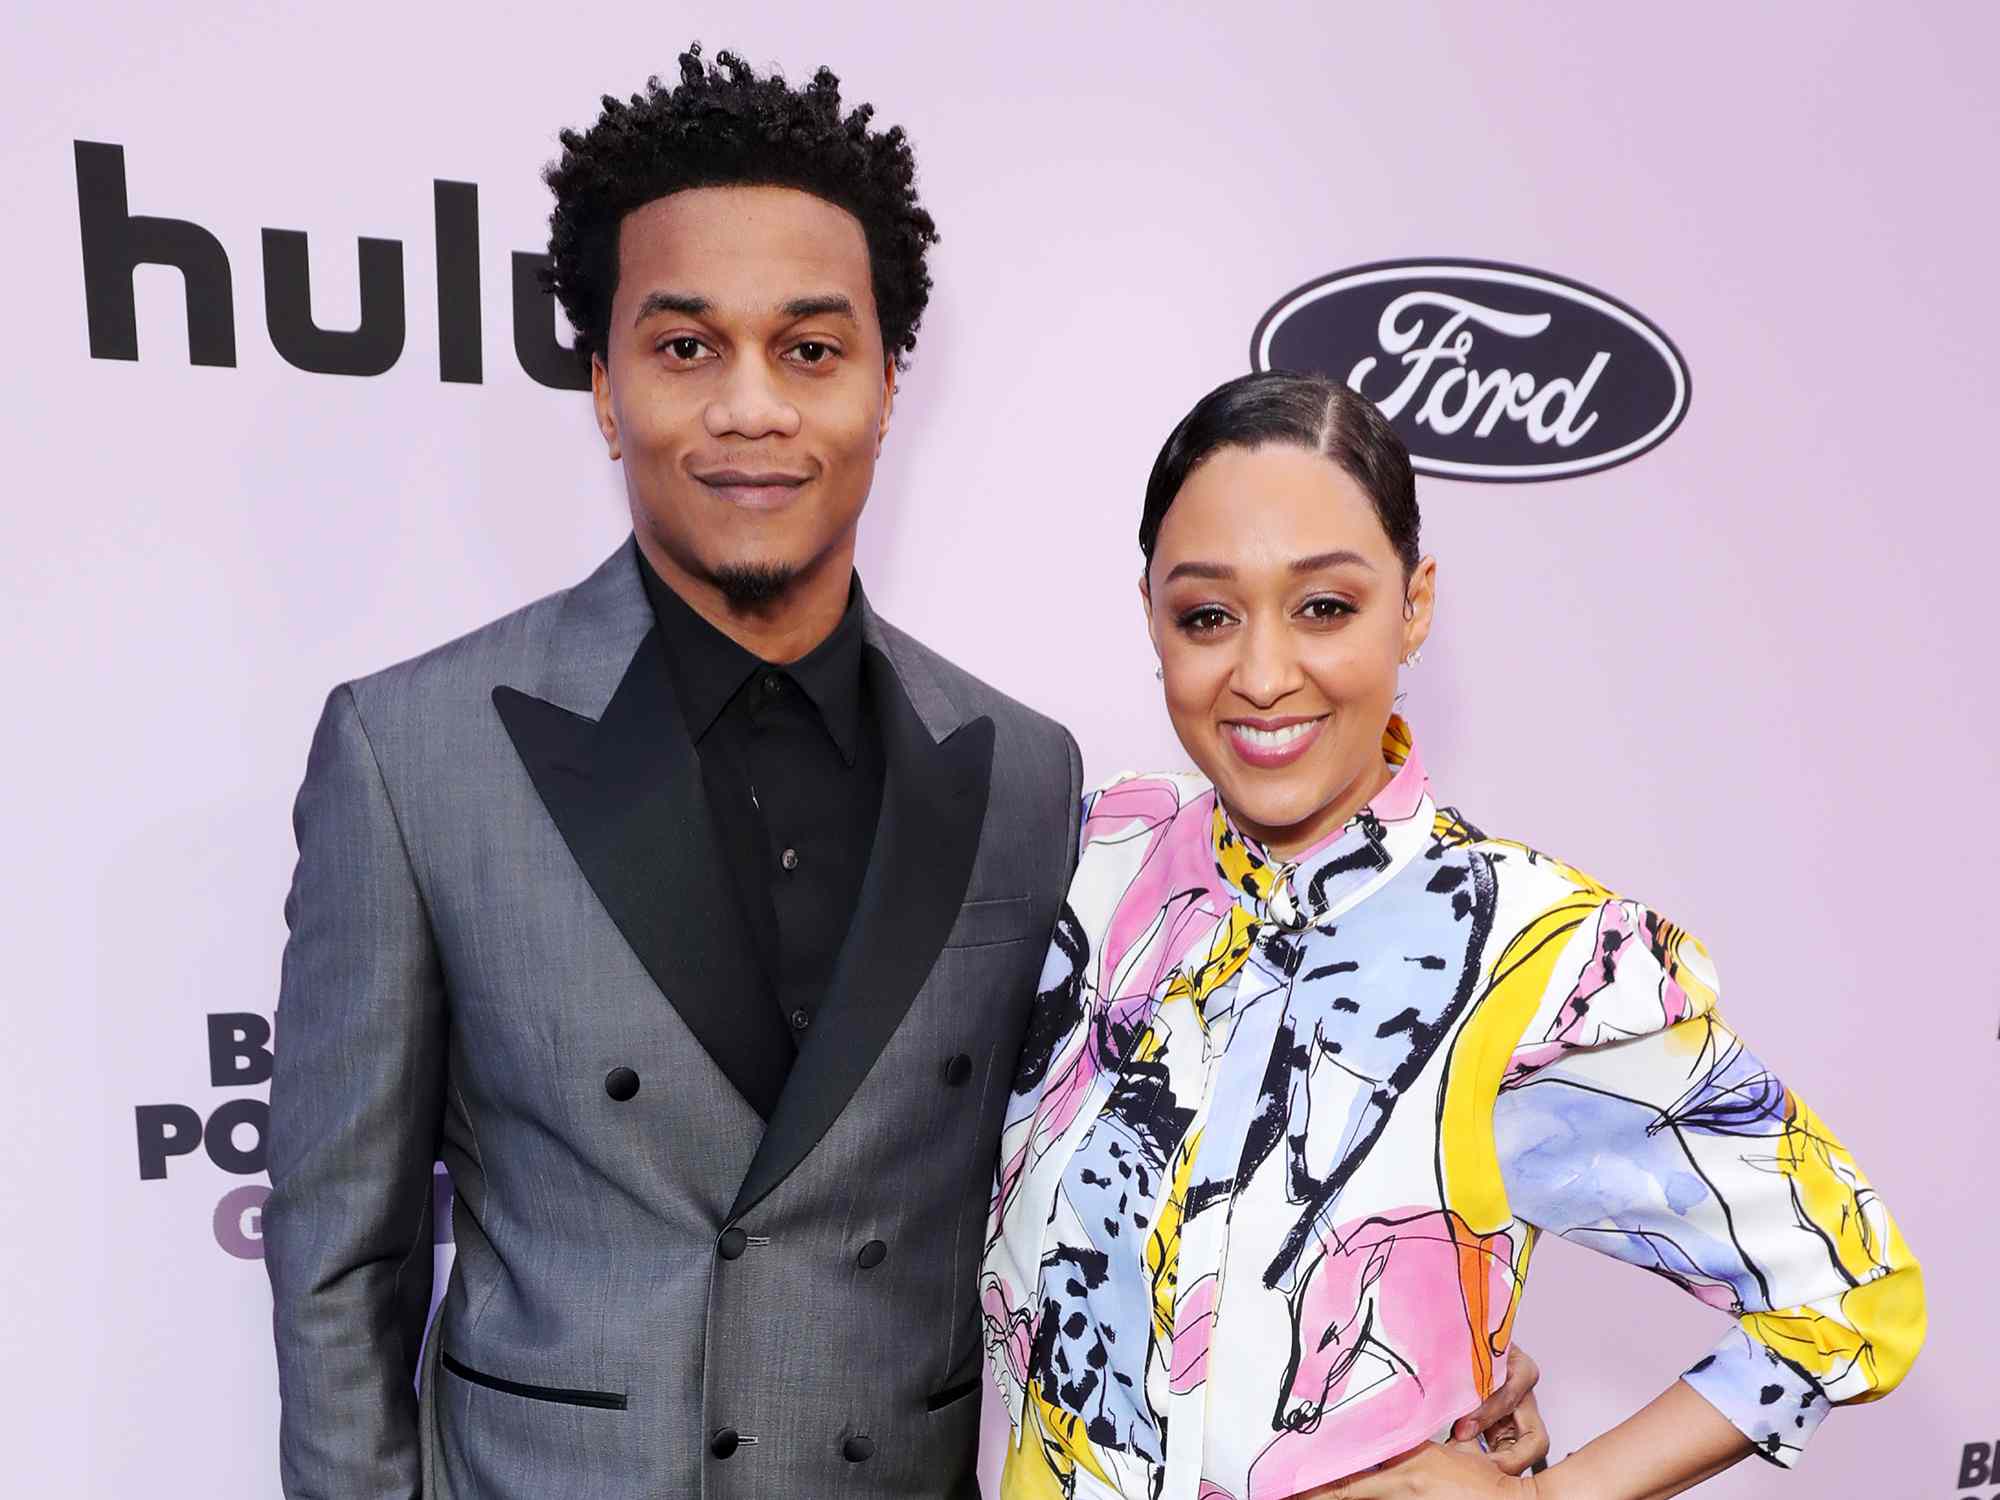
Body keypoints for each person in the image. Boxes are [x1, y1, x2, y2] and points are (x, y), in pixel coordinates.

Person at [261, 49, 1550, 1500]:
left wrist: (1427, 1371)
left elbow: (1157, 1150)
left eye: (810, 350)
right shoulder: (414, 753)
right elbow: (339, 1266)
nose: (752, 408)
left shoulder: (1021, 774)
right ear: (605, 388)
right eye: (687, 348)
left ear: (887, 384)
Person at [981, 370, 1926, 1500]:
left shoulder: (1539, 958)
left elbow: (1851, 1297)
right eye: (1206, 615)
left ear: (1413, 606)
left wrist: (1553, 1496)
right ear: (1151, 619)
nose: (1263, 673)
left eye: (1323, 607)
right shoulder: (1081, 865)